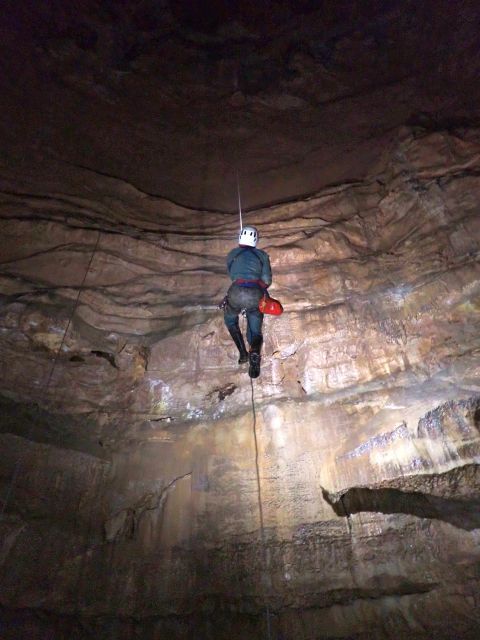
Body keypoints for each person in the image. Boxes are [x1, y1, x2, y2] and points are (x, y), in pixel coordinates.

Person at [223, 225, 272, 378]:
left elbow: (232, 275)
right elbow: (267, 280)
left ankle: (243, 354)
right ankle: (255, 351)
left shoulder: (232, 254)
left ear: (240, 238)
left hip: (236, 292)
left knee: (230, 319)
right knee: (255, 332)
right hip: (254, 294)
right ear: (255, 240)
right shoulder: (262, 255)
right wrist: (258, 287)